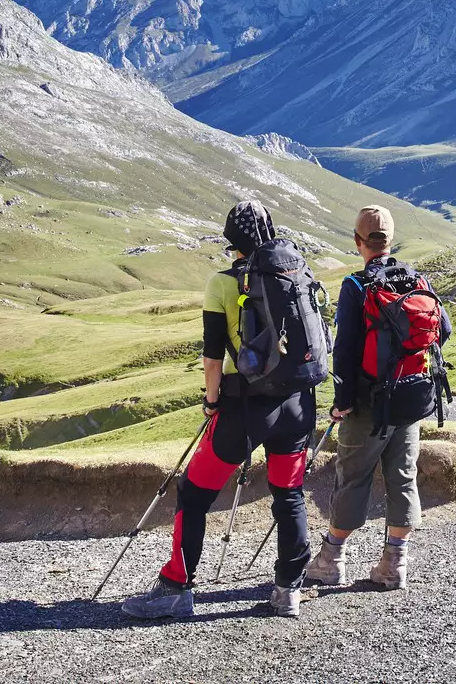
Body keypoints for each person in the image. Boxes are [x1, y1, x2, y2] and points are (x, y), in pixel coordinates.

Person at [123, 200, 323, 619]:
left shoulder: (222, 283)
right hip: (299, 404)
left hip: (245, 407)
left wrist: (212, 401)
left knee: (194, 494)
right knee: (289, 495)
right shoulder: (297, 273)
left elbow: (213, 357)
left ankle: (176, 587)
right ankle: (288, 590)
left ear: (232, 241)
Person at [304, 204, 451, 591]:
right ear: (391, 240)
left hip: (368, 405)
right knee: (403, 477)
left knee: (352, 479)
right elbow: (444, 330)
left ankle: (332, 560)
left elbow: (346, 350)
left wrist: (342, 400)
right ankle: (394, 564)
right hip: (411, 399)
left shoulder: (356, 286)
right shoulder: (417, 279)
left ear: (358, 242)